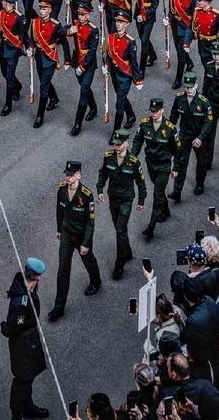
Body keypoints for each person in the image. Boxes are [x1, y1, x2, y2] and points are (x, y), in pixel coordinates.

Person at [48, 161, 101, 322]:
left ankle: (96, 281)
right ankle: (59, 308)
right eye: (67, 175)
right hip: (66, 234)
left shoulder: (86, 195)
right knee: (63, 269)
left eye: (71, 175)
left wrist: (85, 243)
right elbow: (59, 210)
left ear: (79, 175)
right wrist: (58, 229)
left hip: (80, 235)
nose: (68, 178)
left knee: (88, 259)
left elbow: (90, 222)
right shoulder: (62, 190)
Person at [96, 129, 147, 280]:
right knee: (120, 229)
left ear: (126, 143)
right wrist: (100, 189)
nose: (116, 147)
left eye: (119, 144)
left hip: (126, 199)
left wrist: (141, 200)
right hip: (113, 197)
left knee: (119, 230)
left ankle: (119, 265)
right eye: (115, 144)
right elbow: (103, 173)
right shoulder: (108, 157)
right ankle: (128, 251)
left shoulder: (133, 161)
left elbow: (140, 182)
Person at [3, 257, 49, 420]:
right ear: (36, 277)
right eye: (39, 276)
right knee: (23, 379)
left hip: (29, 341)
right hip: (23, 344)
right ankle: (17, 414)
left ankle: (27, 406)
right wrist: (6, 326)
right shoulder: (22, 304)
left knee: (28, 378)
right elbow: (13, 326)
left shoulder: (27, 285)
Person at [132, 96, 178, 237]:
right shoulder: (145, 124)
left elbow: (177, 150)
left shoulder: (170, 128)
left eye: (156, 111)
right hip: (151, 163)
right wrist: (133, 157)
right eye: (152, 111)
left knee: (157, 194)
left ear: (162, 110)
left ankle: (151, 228)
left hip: (164, 166)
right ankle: (166, 210)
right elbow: (138, 141)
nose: (154, 113)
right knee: (159, 189)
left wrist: (175, 168)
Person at [169, 72, 215, 200]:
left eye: (191, 87)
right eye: (186, 87)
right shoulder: (179, 99)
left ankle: (200, 184)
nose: (189, 90)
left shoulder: (204, 103)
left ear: (196, 85)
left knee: (201, 162)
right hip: (184, 135)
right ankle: (177, 191)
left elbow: (208, 122)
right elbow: (173, 118)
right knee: (180, 163)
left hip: (198, 137)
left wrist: (200, 137)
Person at [105, 8, 144, 136]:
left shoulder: (130, 41)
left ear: (126, 24)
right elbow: (109, 55)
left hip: (125, 75)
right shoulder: (110, 37)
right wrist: (106, 65)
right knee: (121, 97)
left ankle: (116, 132)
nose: (118, 24)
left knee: (119, 104)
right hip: (114, 74)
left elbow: (134, 62)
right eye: (117, 21)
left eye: (121, 22)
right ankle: (131, 115)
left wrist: (138, 79)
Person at [67, 0, 100, 136]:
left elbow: (92, 51)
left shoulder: (93, 29)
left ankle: (77, 124)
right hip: (77, 60)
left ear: (88, 15)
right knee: (84, 87)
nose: (80, 16)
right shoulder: (75, 24)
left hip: (88, 64)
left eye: (82, 14)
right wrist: (69, 31)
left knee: (83, 91)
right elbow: (62, 30)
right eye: (78, 14)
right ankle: (93, 108)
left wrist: (83, 66)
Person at [0, 0, 25, 116]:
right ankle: (17, 86)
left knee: (8, 76)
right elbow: (0, 31)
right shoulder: (2, 13)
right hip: (3, 47)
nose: (1, 2)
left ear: (7, 2)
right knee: (4, 72)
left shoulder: (19, 18)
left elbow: (25, 36)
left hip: (13, 50)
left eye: (2, 0)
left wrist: (28, 48)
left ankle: (8, 105)